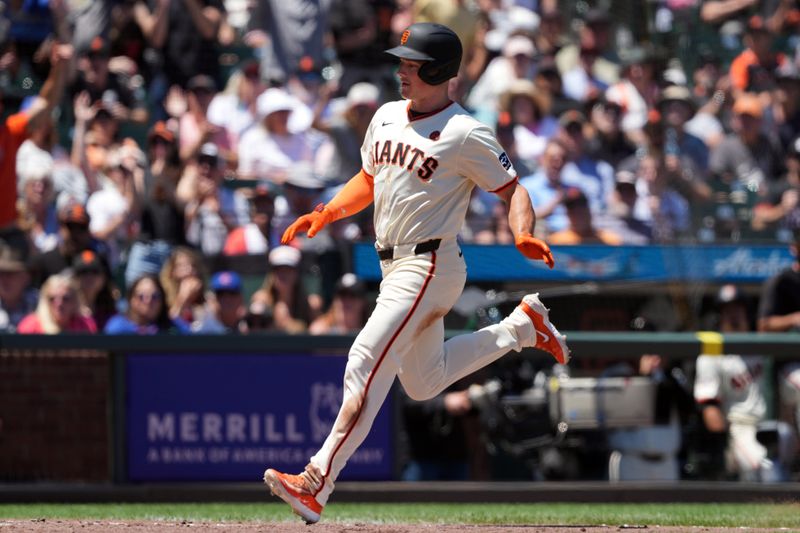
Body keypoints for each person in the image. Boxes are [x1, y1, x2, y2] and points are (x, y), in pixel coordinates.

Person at [263, 23, 569, 524]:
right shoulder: (384, 116)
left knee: (364, 357)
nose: (401, 70)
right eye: (402, 61)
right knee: (424, 382)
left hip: (429, 263)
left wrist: (522, 233)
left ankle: (316, 481)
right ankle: (521, 327)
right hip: (395, 264)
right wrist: (328, 212)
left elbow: (514, 189)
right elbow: (368, 178)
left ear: (439, 69)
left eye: (412, 63)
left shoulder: (464, 131)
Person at [104, 273, 190, 334]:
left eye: (155, 296)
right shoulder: (118, 327)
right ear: (131, 299)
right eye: (141, 296)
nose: (148, 301)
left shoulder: (174, 326)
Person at [17, 272, 97, 334]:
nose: (59, 304)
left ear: (74, 301)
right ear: (45, 301)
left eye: (65, 299)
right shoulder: (30, 326)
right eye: (52, 299)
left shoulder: (85, 325)